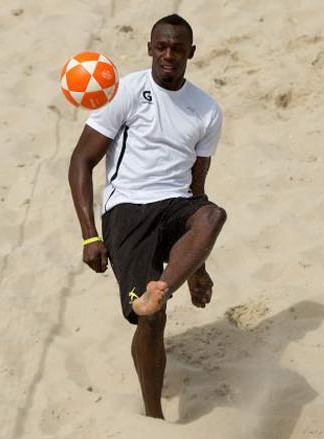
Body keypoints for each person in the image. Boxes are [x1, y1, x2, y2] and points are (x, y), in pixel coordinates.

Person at [68, 14, 227, 419]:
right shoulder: (125, 91)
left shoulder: (207, 110)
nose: (168, 55)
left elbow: (196, 188)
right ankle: (154, 419)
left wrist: (198, 269)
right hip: (127, 211)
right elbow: (81, 161)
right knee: (152, 322)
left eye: (177, 48)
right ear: (150, 48)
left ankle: (161, 288)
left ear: (191, 53)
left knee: (212, 215)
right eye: (161, 46)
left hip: (175, 205)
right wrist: (89, 235)